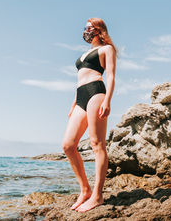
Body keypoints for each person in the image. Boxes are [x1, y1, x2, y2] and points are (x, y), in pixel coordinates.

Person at [62, 17, 117, 212]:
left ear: (98, 30)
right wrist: (73, 103)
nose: (85, 30)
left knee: (97, 144)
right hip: (80, 97)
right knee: (68, 145)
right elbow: (80, 80)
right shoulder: (85, 53)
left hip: (96, 93)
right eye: (85, 27)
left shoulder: (106, 49)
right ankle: (84, 189)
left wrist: (108, 100)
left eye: (89, 27)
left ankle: (97, 195)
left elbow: (110, 75)